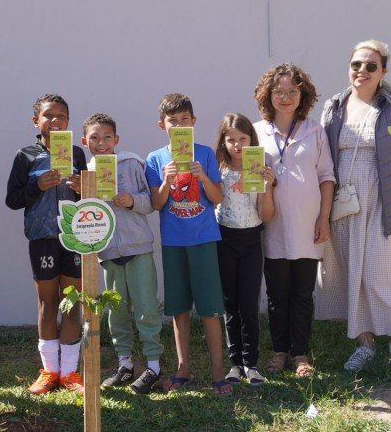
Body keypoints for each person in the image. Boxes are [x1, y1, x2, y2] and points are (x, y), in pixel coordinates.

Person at [315, 40, 391, 371]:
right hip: (343, 203)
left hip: (381, 201)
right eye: (356, 65)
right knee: (351, 272)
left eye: (371, 66)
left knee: (383, 273)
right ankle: (364, 344)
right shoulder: (333, 107)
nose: (362, 71)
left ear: (383, 71)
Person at [145, 93, 233, 397]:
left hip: (204, 238)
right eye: (173, 121)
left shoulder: (205, 154)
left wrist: (202, 176)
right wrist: (166, 180)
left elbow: (217, 197)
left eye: (184, 120)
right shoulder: (155, 159)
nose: (179, 125)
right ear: (162, 125)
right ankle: (184, 368)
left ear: (193, 122)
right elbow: (157, 204)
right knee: (179, 308)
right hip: (173, 242)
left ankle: (218, 371)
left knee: (209, 309)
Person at [252, 63, 335, 377]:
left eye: (292, 91)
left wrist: (323, 218)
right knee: (277, 294)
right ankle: (279, 352)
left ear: (303, 95)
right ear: (267, 95)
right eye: (278, 91)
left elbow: (326, 176)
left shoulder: (315, 131)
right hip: (273, 226)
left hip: (307, 226)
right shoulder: (257, 132)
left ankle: (300, 354)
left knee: (303, 293)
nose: (285, 97)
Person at [5, 94, 87, 394]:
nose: (55, 121)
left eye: (61, 116)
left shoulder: (77, 154)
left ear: (68, 121)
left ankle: (69, 373)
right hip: (41, 239)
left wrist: (83, 187)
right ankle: (49, 371)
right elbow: (12, 199)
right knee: (48, 303)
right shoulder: (25, 155)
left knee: (71, 303)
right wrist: (36, 186)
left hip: (74, 237)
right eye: (49, 116)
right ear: (35, 121)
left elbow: (90, 199)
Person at [80, 113, 163, 394]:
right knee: (116, 312)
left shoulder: (131, 162)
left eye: (106, 137)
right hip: (107, 253)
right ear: (84, 141)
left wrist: (132, 201)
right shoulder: (85, 171)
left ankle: (153, 365)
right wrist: (82, 192)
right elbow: (85, 214)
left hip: (138, 248)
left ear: (116, 139)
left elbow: (151, 202)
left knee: (146, 308)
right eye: (94, 138)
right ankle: (125, 364)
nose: (101, 143)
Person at [213, 113, 275, 387]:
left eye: (243, 139)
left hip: (251, 241)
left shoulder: (257, 169)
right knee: (231, 304)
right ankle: (235, 363)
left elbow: (267, 215)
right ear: (223, 142)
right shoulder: (218, 170)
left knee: (249, 303)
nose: (237, 145)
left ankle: (252, 363)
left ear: (251, 140)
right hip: (224, 240)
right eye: (231, 140)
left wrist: (268, 186)